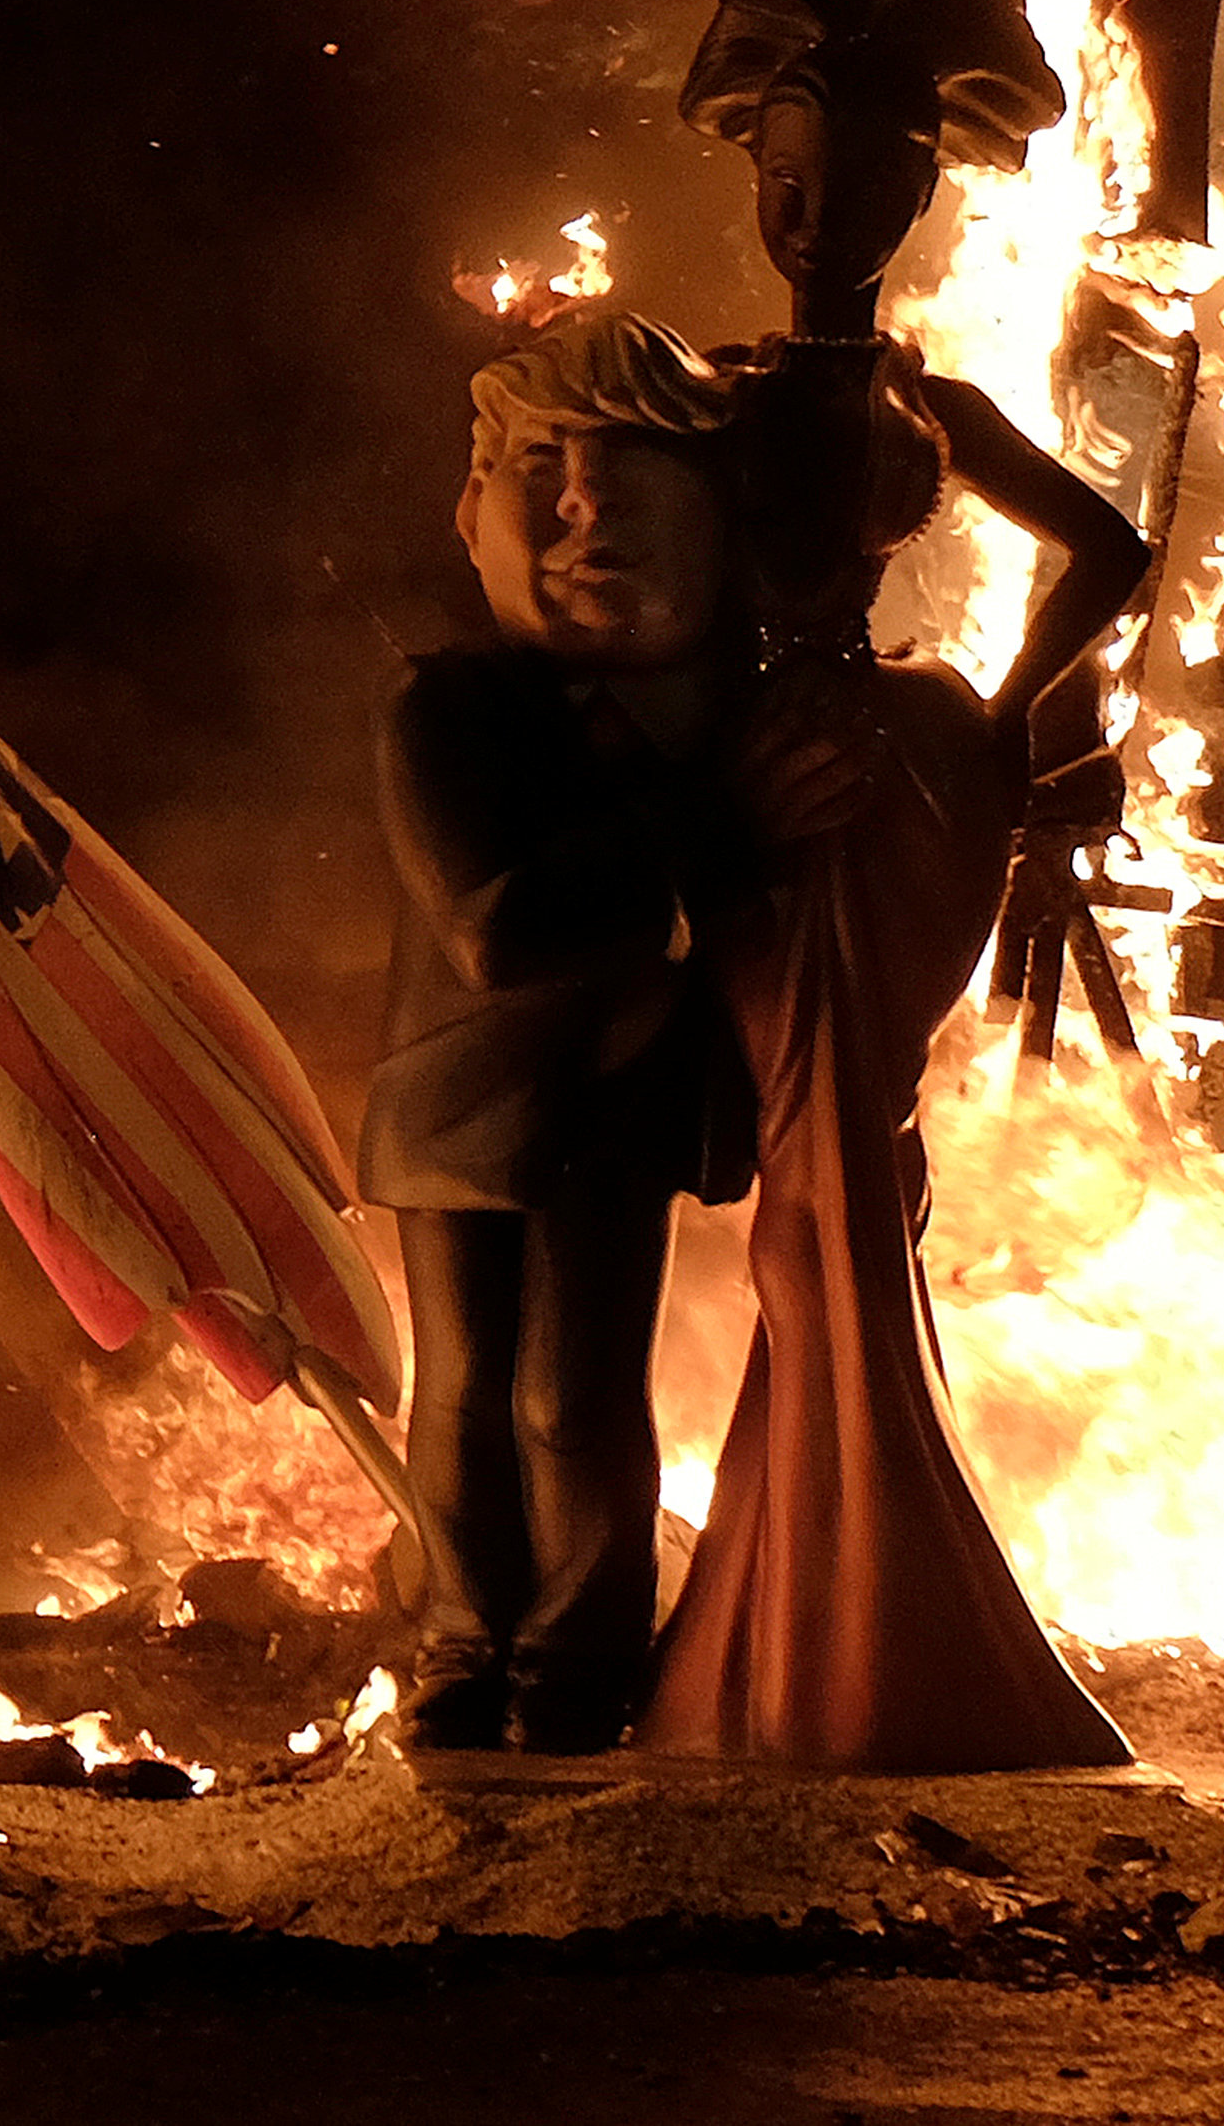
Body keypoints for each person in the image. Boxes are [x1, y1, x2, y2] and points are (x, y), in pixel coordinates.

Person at [632, 0, 1143, 1772]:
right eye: (782, 176)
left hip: (908, 794)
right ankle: (826, 1592)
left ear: (915, 195)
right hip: (771, 799)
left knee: (854, 1159)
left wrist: (1006, 719)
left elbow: (1113, 551)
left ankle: (835, 1614)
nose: (807, 210)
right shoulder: (698, 387)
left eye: (849, 180)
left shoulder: (924, 396)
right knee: (813, 1169)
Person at [359, 312, 761, 1755]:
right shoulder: (450, 706)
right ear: (476, 512)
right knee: (464, 1389)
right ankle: (467, 1642)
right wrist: (710, 819)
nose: (585, 515)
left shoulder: (719, 716)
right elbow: (497, 927)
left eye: (630, 480)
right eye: (546, 477)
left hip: (618, 1095)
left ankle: (583, 1655)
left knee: (575, 1392)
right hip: (459, 1096)